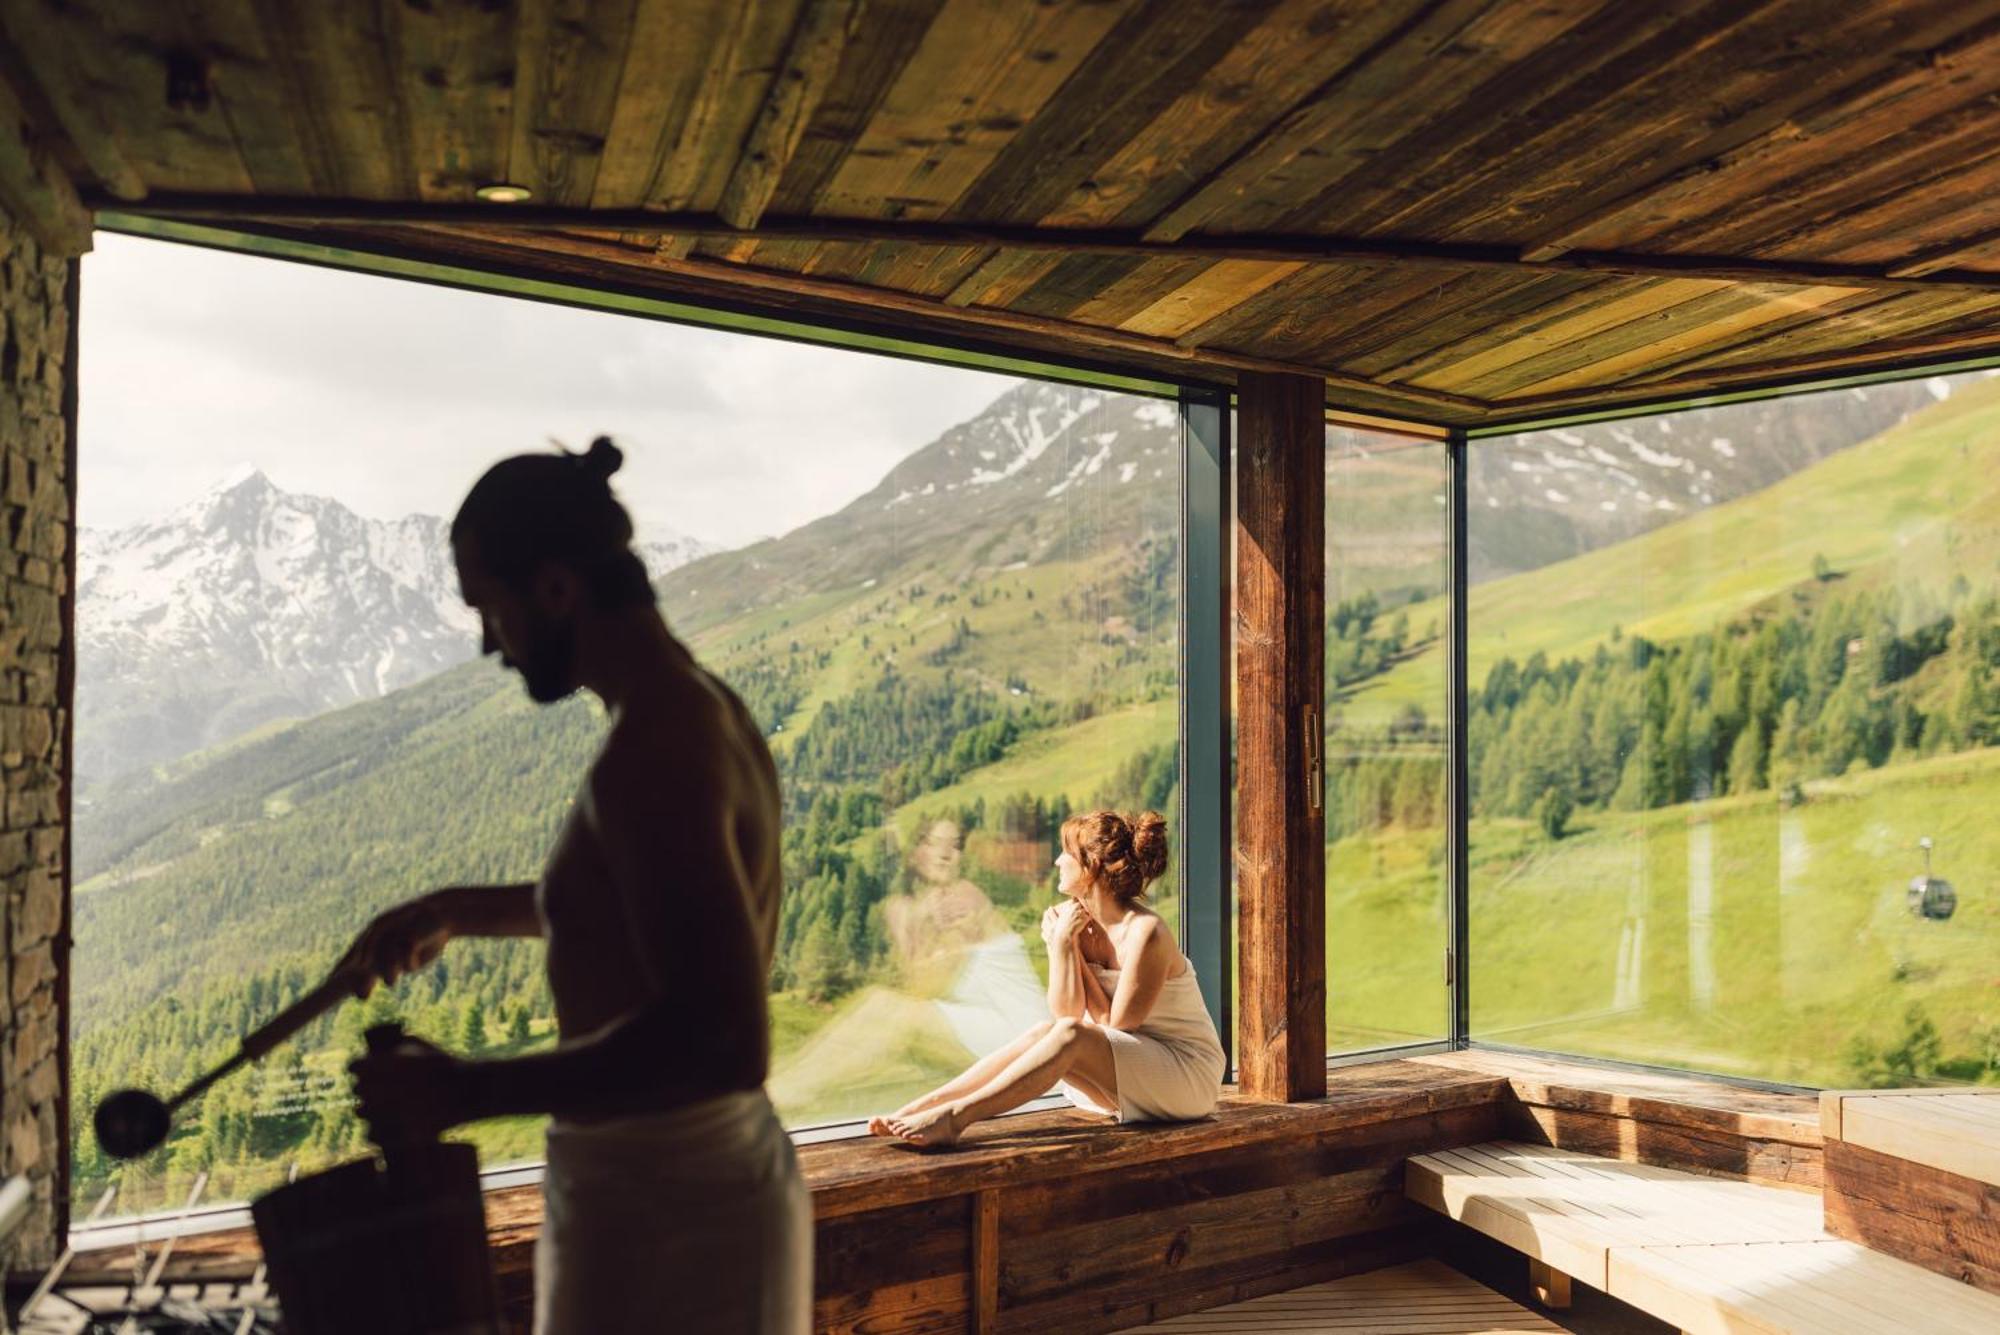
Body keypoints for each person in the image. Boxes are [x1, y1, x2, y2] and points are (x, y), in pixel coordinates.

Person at [340, 438, 809, 1335]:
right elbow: (637, 898)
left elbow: (723, 1037)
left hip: (676, 1206)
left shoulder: (654, 746)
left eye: (491, 609)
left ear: (556, 588)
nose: (491, 643)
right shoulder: (690, 706)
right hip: (668, 1188)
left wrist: (464, 1092)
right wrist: (454, 910)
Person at [869, 810, 1225, 1148]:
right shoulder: (1070, 920)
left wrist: (1065, 944)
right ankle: (922, 1106)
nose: (1056, 861)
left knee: (1069, 1036)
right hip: (1131, 1070)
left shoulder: (1147, 932)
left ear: (1092, 867)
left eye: (1066, 853)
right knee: (1044, 1033)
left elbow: (1118, 1025)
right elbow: (1065, 1012)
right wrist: (1063, 944)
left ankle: (954, 1118)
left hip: (1184, 1072)